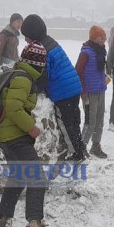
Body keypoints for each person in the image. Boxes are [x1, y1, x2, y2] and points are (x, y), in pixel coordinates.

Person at [0, 42, 59, 227]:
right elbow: (13, 107)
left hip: (6, 135)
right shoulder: (23, 78)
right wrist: (31, 127)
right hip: (15, 136)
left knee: (18, 174)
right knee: (37, 176)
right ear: (39, 64)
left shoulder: (19, 74)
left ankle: (3, 217)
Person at [21, 14, 88, 161]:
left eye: (26, 36)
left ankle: (75, 153)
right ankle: (80, 147)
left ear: (32, 34)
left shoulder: (41, 49)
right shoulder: (51, 42)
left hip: (63, 91)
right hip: (73, 86)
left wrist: (34, 90)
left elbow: (43, 75)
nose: (25, 40)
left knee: (65, 123)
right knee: (75, 121)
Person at [75, 26, 109, 159]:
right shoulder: (86, 52)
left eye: (104, 37)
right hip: (89, 92)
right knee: (90, 121)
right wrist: (83, 91)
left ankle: (96, 145)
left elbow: (99, 70)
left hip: (101, 90)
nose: (104, 40)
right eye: (102, 37)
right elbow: (77, 72)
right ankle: (81, 147)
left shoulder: (101, 51)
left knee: (99, 119)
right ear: (94, 38)